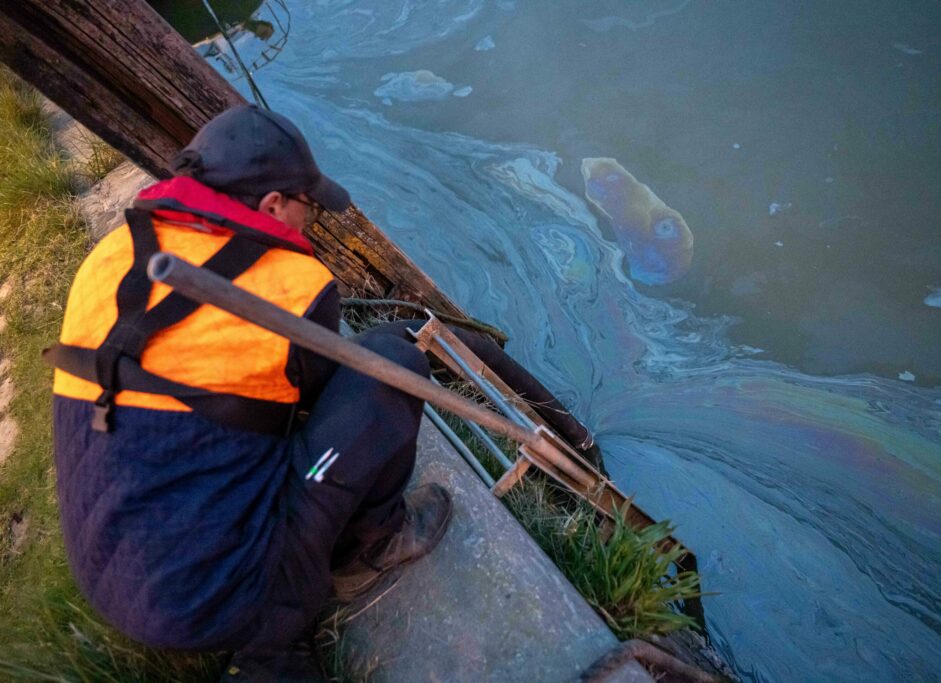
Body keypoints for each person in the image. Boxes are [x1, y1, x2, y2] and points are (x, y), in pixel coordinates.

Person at [48, 104, 599, 681]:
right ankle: (368, 549)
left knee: (342, 370)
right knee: (392, 371)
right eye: (308, 205)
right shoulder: (293, 288)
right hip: (218, 597)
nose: (311, 218)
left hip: (103, 566)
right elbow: (328, 401)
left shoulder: (110, 255)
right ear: (272, 206)